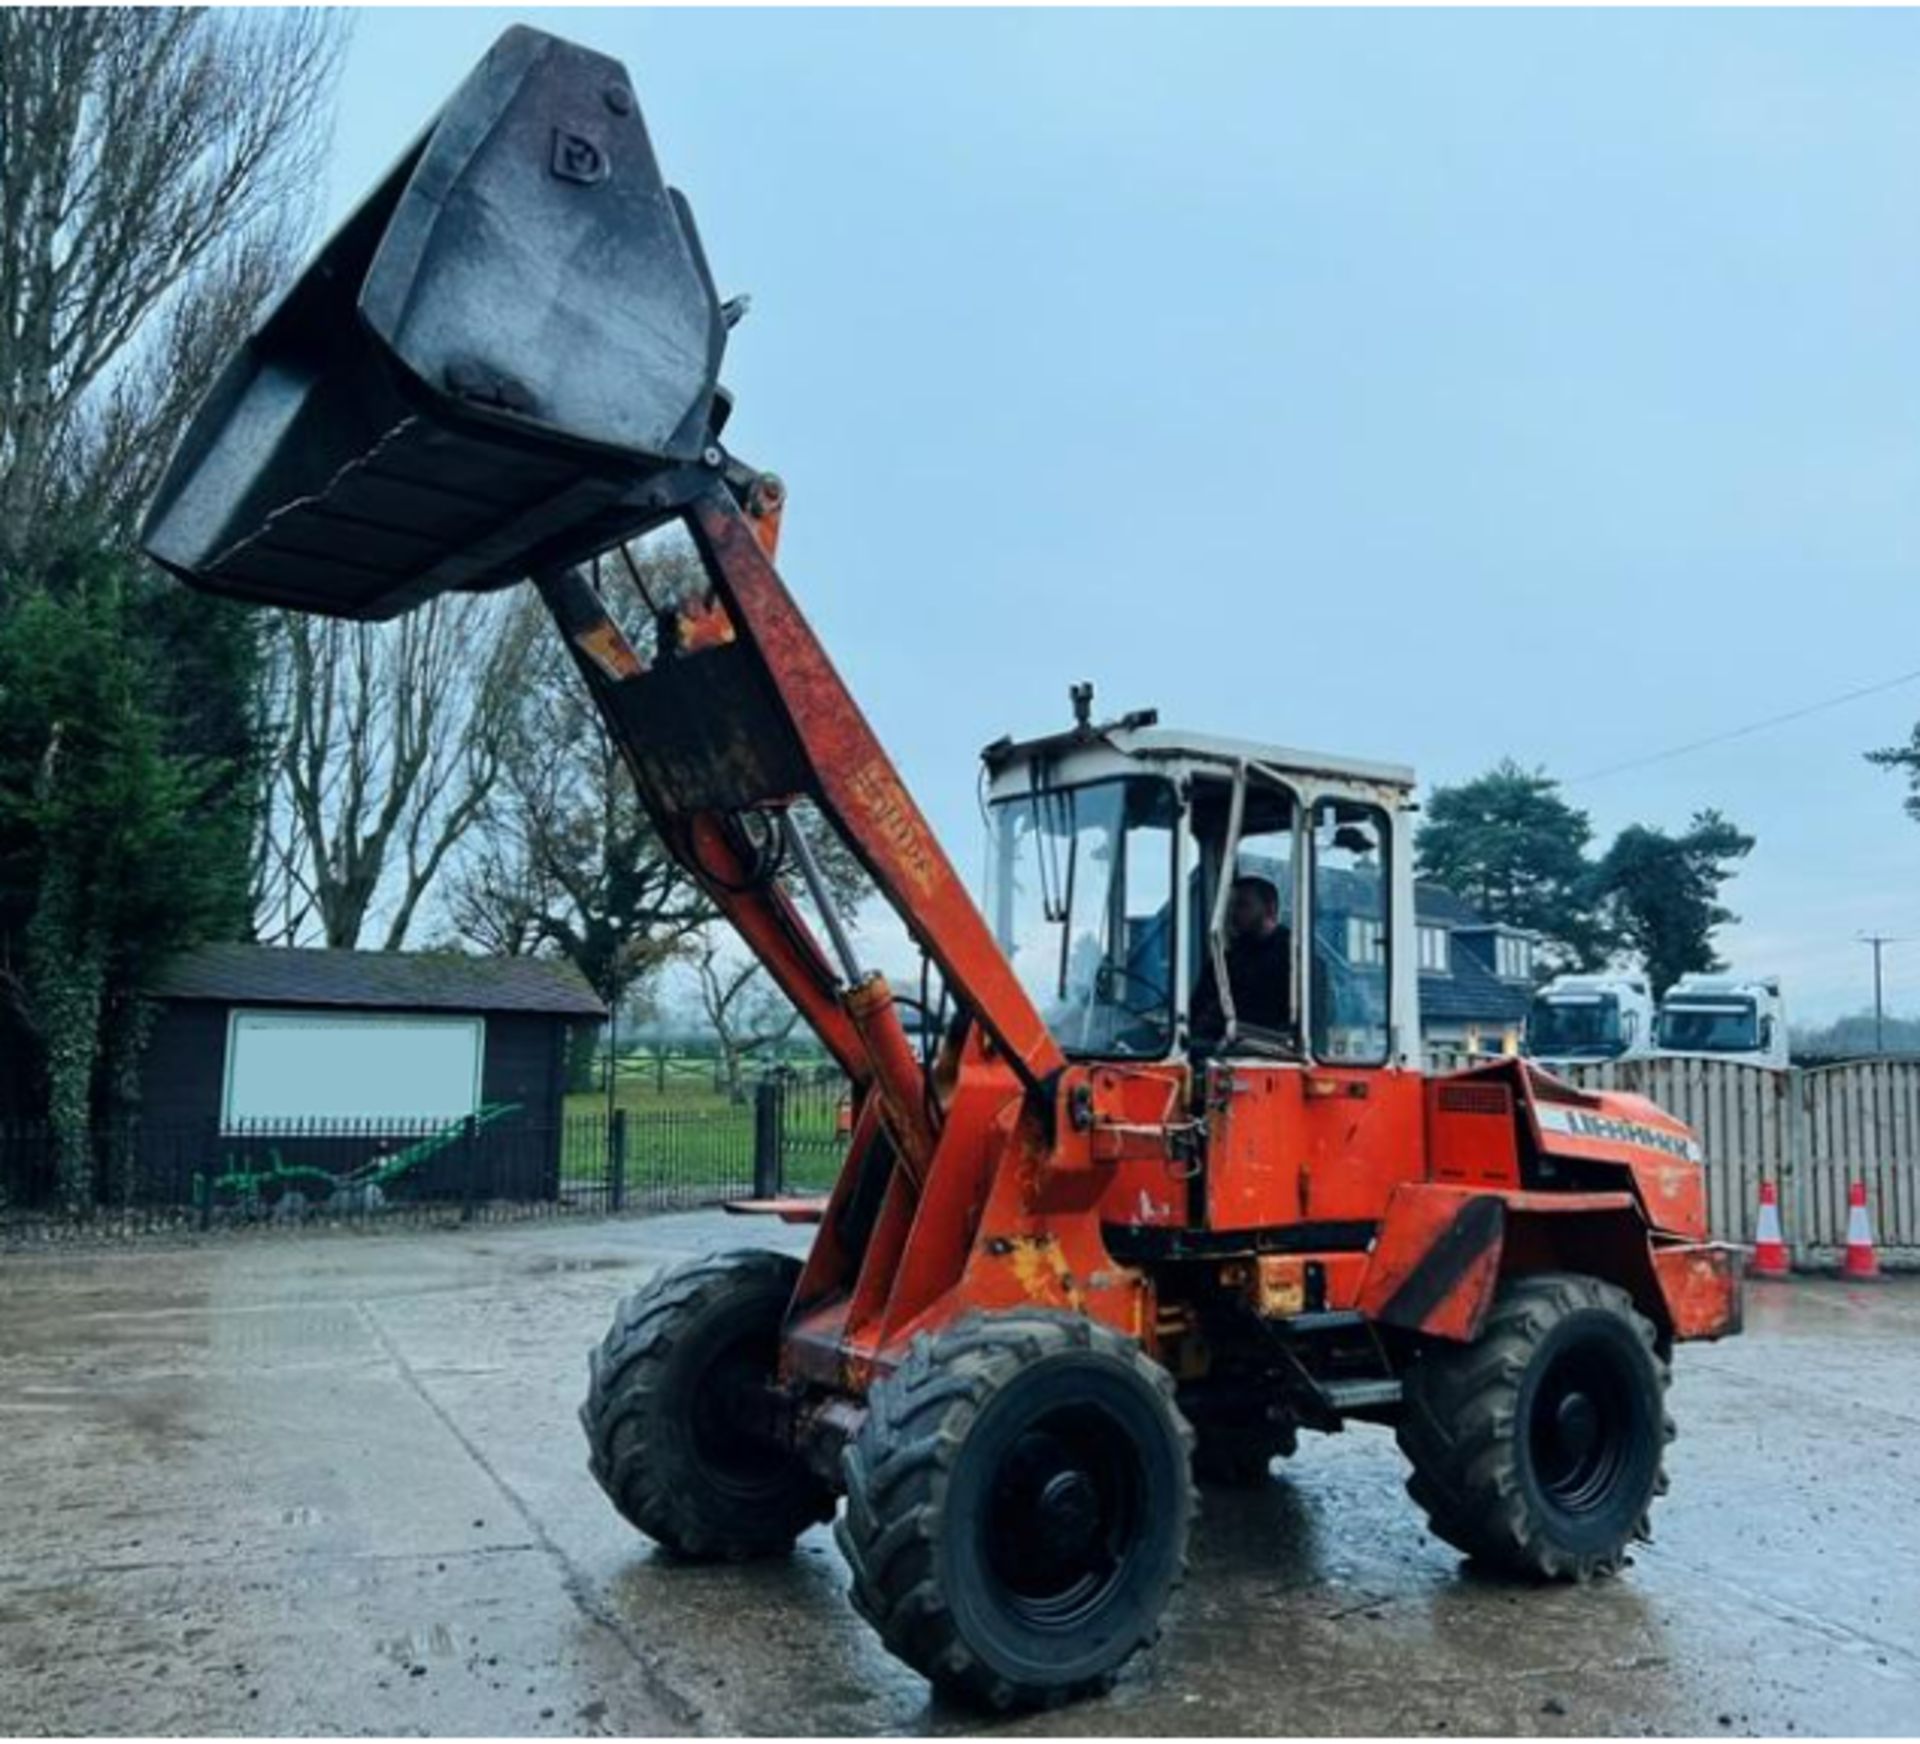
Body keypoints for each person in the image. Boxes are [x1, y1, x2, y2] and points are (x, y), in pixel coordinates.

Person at [1191, 874, 1293, 1039]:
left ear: (1270, 909)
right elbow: (1196, 1008)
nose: (1234, 914)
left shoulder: (1294, 960)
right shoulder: (1226, 961)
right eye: (1231, 907)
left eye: (1243, 905)